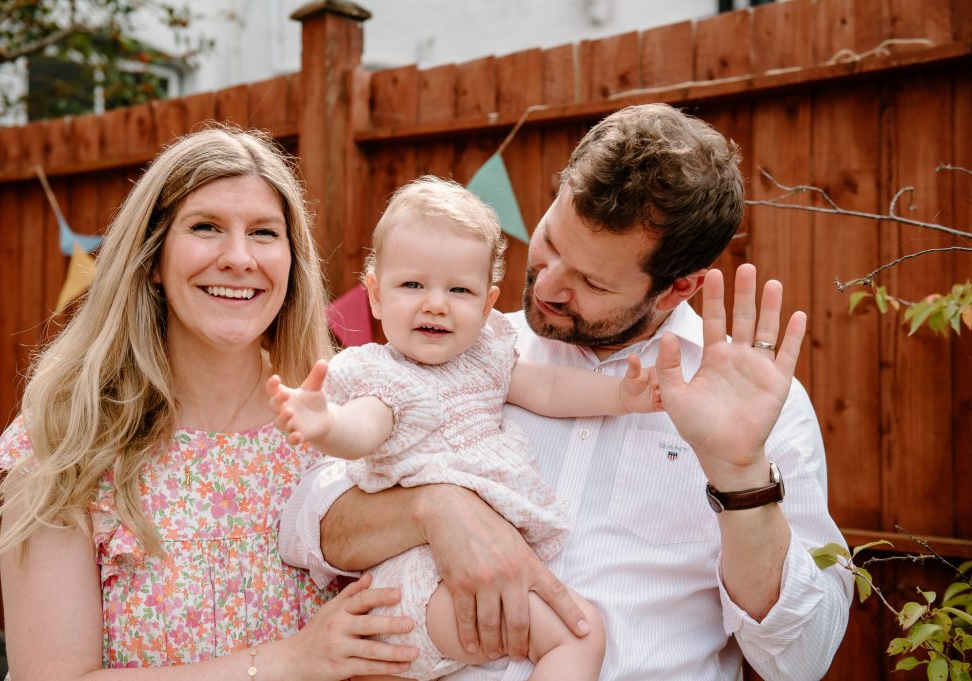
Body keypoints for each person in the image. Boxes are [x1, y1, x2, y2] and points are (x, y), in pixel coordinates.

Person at [280, 103, 854, 680]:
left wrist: (741, 479)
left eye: (592, 281)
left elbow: (799, 663)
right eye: (552, 241)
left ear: (677, 289)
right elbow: (303, 526)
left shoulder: (754, 409)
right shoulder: (470, 346)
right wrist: (433, 509)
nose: (550, 284)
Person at [0, 127, 420, 680]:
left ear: (291, 263)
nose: (240, 258)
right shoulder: (66, 439)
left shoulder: (346, 424)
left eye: (265, 233)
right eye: (206, 227)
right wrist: (289, 661)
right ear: (152, 258)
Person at [269, 176, 663, 680]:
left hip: (452, 587)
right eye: (412, 285)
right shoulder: (385, 378)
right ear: (373, 294)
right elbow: (362, 430)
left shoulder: (488, 359)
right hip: (425, 580)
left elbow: (548, 390)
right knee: (578, 634)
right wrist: (326, 424)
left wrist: (618, 397)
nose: (435, 302)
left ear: (485, 303)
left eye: (458, 289)